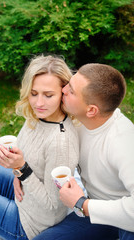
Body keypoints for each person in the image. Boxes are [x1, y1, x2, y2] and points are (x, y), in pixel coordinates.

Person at [0, 55, 79, 240]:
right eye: (33, 93)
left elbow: (52, 208)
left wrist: (22, 169)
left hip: (29, 224)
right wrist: (15, 167)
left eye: (48, 95)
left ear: (64, 92)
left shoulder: (61, 143)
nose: (38, 103)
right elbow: (26, 156)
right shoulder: (38, 116)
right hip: (22, 191)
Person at [33, 63, 134, 240]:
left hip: (122, 218)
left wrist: (83, 205)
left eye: (71, 91)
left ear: (91, 110)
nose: (63, 90)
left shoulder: (123, 142)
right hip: (93, 207)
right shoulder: (79, 118)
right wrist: (21, 170)